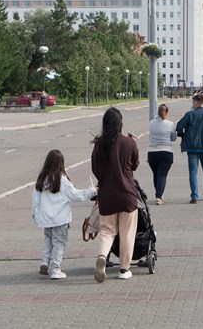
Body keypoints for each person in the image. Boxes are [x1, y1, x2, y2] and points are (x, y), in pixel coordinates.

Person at [91, 107, 140, 282]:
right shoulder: (129, 142)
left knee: (107, 231)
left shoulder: (99, 144)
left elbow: (95, 170)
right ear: (120, 123)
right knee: (126, 233)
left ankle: (102, 256)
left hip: (107, 195)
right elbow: (134, 165)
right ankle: (124, 269)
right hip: (127, 195)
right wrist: (134, 144)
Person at [32, 149, 97, 280]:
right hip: (60, 219)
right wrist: (93, 190)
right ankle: (56, 268)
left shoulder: (41, 180)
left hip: (46, 219)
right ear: (61, 164)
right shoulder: (63, 180)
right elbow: (77, 195)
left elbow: (35, 201)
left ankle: (45, 262)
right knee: (59, 243)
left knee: (48, 240)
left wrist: (35, 216)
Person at [176, 94, 203, 204]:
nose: (192, 104)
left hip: (192, 148)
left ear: (196, 103)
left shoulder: (189, 115)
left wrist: (183, 136)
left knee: (193, 172)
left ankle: (194, 196)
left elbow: (179, 127)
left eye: (193, 102)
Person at [147, 104, 177, 205]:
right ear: (167, 112)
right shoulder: (170, 124)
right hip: (166, 152)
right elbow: (173, 138)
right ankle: (159, 196)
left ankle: (158, 194)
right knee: (162, 174)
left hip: (152, 153)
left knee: (156, 174)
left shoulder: (151, 123)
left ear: (157, 112)